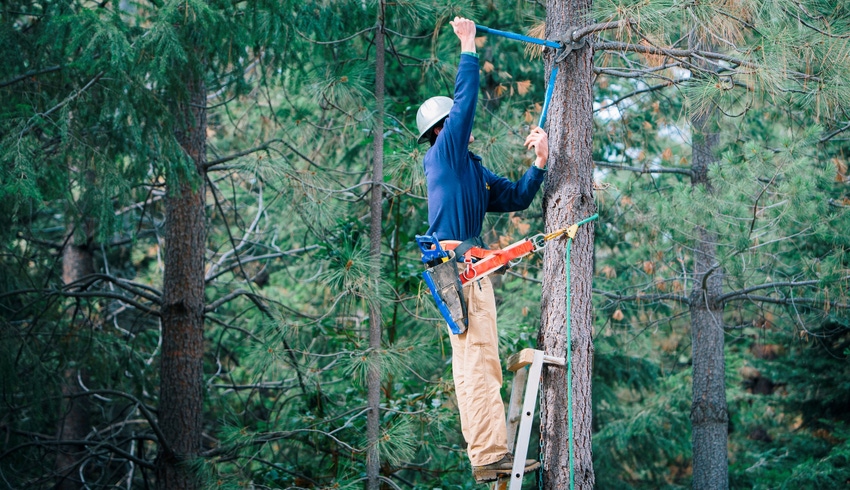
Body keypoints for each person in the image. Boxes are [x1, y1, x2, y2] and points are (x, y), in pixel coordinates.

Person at [415, 16, 549, 484]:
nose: (462, 125)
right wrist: (468, 47)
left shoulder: (470, 169)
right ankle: (489, 456)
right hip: (457, 270)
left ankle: (494, 452)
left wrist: (540, 163)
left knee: (485, 361)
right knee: (475, 365)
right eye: (453, 121)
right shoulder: (443, 155)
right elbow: (466, 104)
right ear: (442, 129)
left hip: (473, 271)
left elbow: (514, 197)